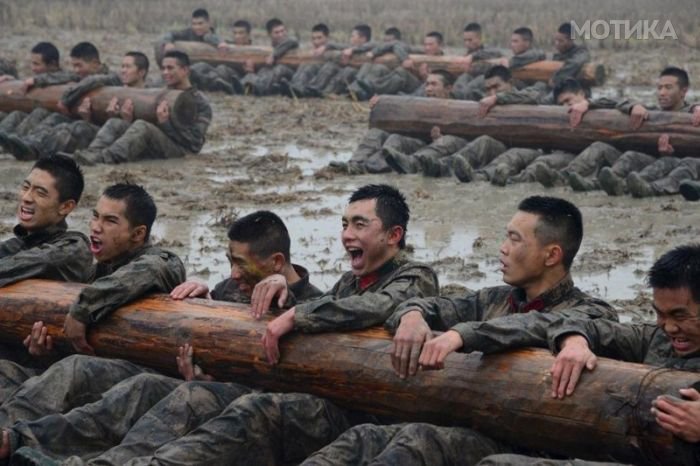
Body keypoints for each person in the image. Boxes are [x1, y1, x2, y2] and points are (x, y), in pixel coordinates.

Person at [46, 185, 438, 466]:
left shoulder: (415, 276)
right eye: (344, 223)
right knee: (183, 396)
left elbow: (373, 307)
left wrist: (295, 309)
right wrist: (211, 309)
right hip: (325, 393)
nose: (346, 235)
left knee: (257, 411)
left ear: (394, 235)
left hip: (373, 413)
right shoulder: (349, 281)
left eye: (359, 224)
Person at [302, 196, 618, 466]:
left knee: (420, 440)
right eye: (505, 237)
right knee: (361, 437)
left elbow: (534, 325)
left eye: (514, 239)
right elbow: (436, 306)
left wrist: (461, 334)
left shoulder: (591, 313)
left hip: (530, 447)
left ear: (552, 255)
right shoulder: (493, 299)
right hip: (470, 424)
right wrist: (412, 314)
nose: (502, 249)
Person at [0, 211, 324, 465]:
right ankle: (18, 442)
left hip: (255, 406)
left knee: (190, 400)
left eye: (240, 264)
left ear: (277, 263)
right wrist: (198, 306)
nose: (233, 274)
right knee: (140, 386)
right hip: (197, 385)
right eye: (229, 261)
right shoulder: (227, 290)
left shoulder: (315, 305)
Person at [0, 183, 186, 461]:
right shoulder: (99, 268)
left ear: (138, 234)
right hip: (99, 366)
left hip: (146, 375)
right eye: (95, 216)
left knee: (75, 370)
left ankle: (6, 439)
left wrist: (81, 311)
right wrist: (46, 351)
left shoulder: (163, 262)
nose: (96, 227)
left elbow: (149, 269)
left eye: (110, 221)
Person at [477, 243, 700, 465]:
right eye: (660, 314)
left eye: (680, 316)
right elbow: (581, 325)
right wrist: (574, 340)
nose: (669, 327)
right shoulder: (656, 339)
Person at [0, 155, 92, 400]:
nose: (27, 197)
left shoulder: (72, 247)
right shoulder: (18, 244)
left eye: (40, 192)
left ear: (65, 207)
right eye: (25, 187)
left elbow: (15, 267)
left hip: (48, 375)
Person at [71, 50, 212, 164]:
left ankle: (105, 158)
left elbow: (194, 144)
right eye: (163, 68)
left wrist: (166, 123)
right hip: (155, 141)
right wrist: (126, 117)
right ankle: (91, 154)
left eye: (170, 68)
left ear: (185, 70)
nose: (165, 73)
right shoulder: (159, 92)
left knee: (143, 126)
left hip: (180, 150)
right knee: (116, 123)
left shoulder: (200, 103)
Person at [4, 51, 149, 161]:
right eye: (122, 66)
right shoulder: (114, 84)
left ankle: (34, 150)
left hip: (119, 138)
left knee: (78, 127)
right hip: (100, 128)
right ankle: (28, 143)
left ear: (141, 72)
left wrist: (121, 118)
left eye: (128, 67)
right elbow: (65, 77)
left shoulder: (150, 93)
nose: (123, 70)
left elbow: (140, 130)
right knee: (57, 120)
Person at [0, 42, 112, 159]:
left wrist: (66, 100)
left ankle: (35, 150)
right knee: (53, 119)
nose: (76, 70)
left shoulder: (111, 78)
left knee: (71, 129)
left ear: (94, 63)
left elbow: (92, 81)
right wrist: (17, 82)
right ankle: (26, 143)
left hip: (97, 128)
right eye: (74, 66)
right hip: (77, 117)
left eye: (79, 65)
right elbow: (60, 76)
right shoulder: (80, 76)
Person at [339, 70, 461, 175]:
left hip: (428, 147)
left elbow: (460, 141)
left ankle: (371, 167)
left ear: (448, 88)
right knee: (376, 133)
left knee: (395, 139)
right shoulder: (420, 97)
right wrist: (381, 101)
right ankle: (355, 163)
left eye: (434, 85)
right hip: (412, 140)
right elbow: (401, 99)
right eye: (427, 84)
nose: (428, 89)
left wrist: (439, 138)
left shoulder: (461, 105)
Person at [240, 18, 299, 96]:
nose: (281, 35)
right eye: (276, 32)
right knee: (262, 70)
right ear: (269, 34)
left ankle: (260, 88)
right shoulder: (268, 48)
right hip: (274, 78)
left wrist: (274, 55)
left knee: (280, 68)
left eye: (282, 31)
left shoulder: (291, 43)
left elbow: (293, 40)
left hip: (291, 75)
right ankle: (243, 86)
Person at [156, 8, 222, 60]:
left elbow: (220, 41)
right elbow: (170, 34)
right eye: (194, 24)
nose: (197, 27)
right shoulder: (188, 33)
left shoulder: (214, 36)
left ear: (208, 23)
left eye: (200, 23)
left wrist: (220, 43)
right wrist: (168, 42)